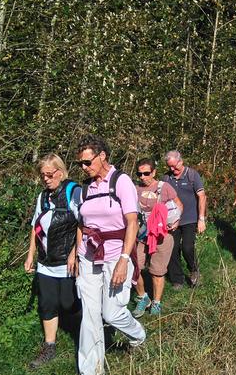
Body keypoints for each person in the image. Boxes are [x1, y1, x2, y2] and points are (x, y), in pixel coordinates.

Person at [74, 135, 146, 375]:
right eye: (80, 164)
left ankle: (138, 335)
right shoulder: (86, 188)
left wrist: (124, 261)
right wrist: (77, 254)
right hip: (89, 256)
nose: (84, 167)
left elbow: (132, 222)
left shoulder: (121, 181)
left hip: (116, 255)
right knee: (90, 314)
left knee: (112, 313)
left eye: (87, 162)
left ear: (102, 155)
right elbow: (81, 224)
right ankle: (91, 369)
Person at [25, 154, 81, 369]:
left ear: (60, 171)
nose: (46, 179)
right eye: (43, 176)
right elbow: (35, 227)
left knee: (68, 303)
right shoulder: (43, 197)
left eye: (49, 175)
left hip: (67, 262)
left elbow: (84, 224)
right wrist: (30, 255)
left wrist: (75, 252)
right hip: (45, 262)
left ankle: (85, 333)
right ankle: (50, 345)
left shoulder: (73, 192)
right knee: (47, 304)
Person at [132, 158, 182, 317]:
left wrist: (176, 221)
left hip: (161, 235)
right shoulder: (134, 189)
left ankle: (156, 302)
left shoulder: (164, 187)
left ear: (153, 172)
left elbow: (178, 204)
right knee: (134, 268)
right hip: (140, 235)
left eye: (146, 173)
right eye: (139, 174)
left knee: (157, 271)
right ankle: (143, 297)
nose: (142, 177)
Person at [163, 150, 207, 289]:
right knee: (172, 248)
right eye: (169, 166)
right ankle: (177, 279)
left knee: (187, 247)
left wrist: (201, 219)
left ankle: (194, 270)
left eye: (174, 166)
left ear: (181, 161)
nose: (172, 169)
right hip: (172, 221)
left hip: (190, 218)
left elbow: (202, 196)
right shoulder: (166, 178)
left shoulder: (192, 175)